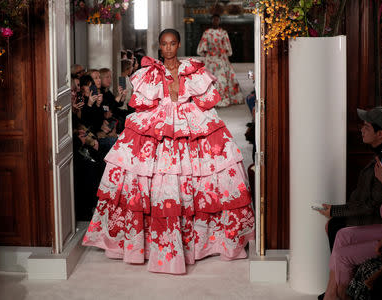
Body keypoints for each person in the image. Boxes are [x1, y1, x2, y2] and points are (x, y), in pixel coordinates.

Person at [82, 29, 255, 274]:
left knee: (206, 176)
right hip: (158, 127)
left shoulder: (193, 71)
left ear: (179, 44)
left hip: (189, 125)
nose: (169, 48)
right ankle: (144, 243)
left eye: (173, 43)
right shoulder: (149, 73)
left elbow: (205, 101)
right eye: (164, 44)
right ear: (160, 47)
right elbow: (142, 103)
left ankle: (202, 243)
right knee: (148, 179)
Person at [318, 106, 382, 251]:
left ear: (380, 133)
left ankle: (338, 271)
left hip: (379, 220)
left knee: (334, 225)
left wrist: (335, 211)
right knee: (333, 224)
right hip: (374, 214)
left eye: (367, 127)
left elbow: (371, 206)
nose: (361, 130)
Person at [321, 158, 382, 300]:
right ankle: (331, 293)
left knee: (342, 256)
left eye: (364, 132)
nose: (361, 134)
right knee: (343, 235)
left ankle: (343, 295)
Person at [196, 14, 243, 107]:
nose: (215, 22)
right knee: (209, 79)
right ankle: (209, 99)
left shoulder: (223, 32)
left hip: (221, 59)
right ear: (211, 21)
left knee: (221, 79)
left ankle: (221, 99)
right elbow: (202, 48)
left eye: (217, 20)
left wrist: (222, 53)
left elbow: (228, 48)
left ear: (219, 21)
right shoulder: (207, 32)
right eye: (214, 20)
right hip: (211, 60)